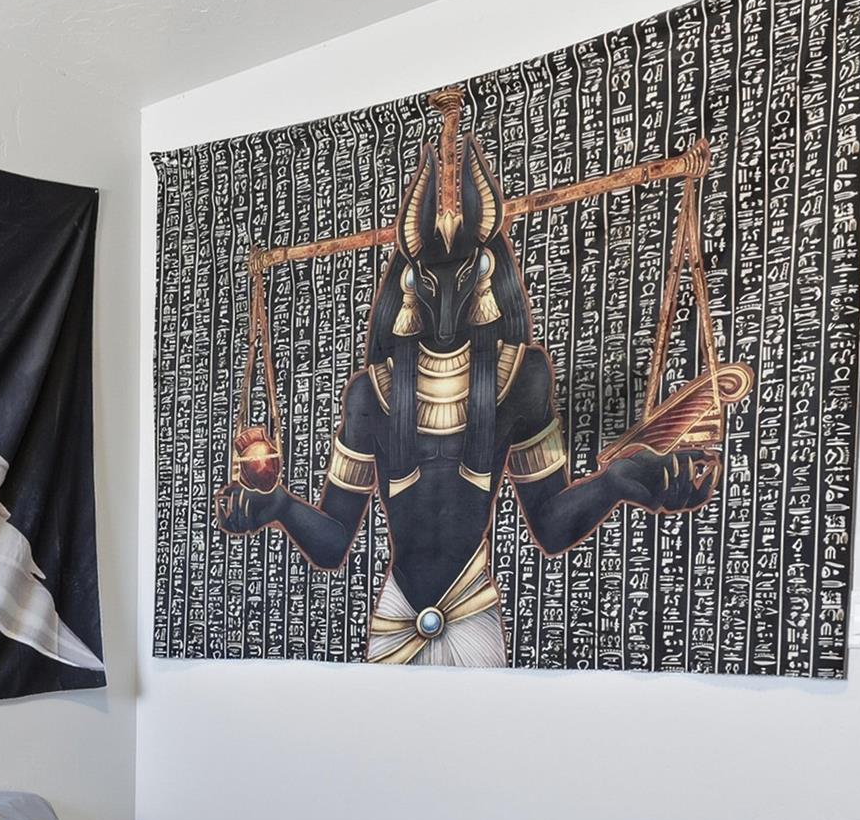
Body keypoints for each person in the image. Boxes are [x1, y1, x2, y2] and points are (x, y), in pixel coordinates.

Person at [215, 124, 722, 665]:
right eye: (431, 275)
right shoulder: (373, 393)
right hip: (396, 612)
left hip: (471, 604)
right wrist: (279, 506)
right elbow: (335, 539)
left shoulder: (519, 377)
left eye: (464, 272)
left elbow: (549, 524)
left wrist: (618, 481)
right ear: (409, 283)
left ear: (485, 273)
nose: (449, 292)